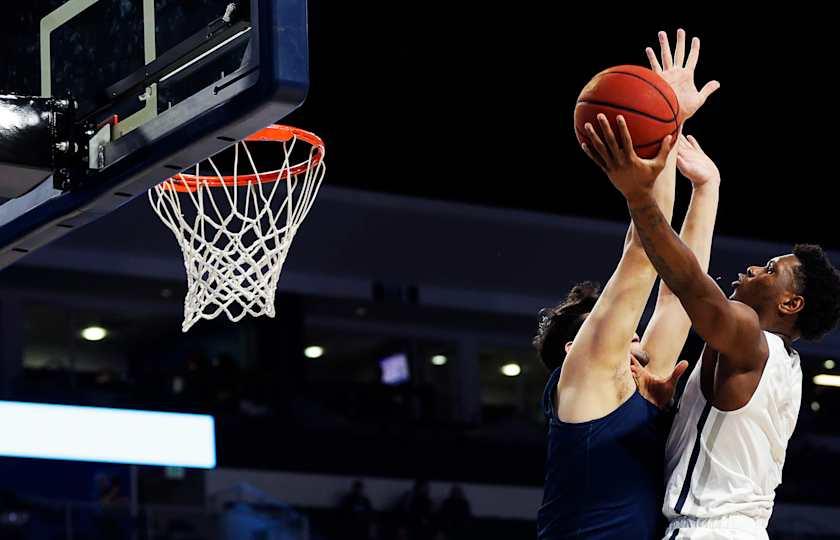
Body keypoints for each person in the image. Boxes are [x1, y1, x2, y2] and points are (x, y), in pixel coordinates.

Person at [584, 35, 840, 540]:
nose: (753, 269)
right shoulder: (781, 365)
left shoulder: (750, 336)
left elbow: (687, 284)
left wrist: (640, 195)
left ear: (791, 303)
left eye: (771, 269)